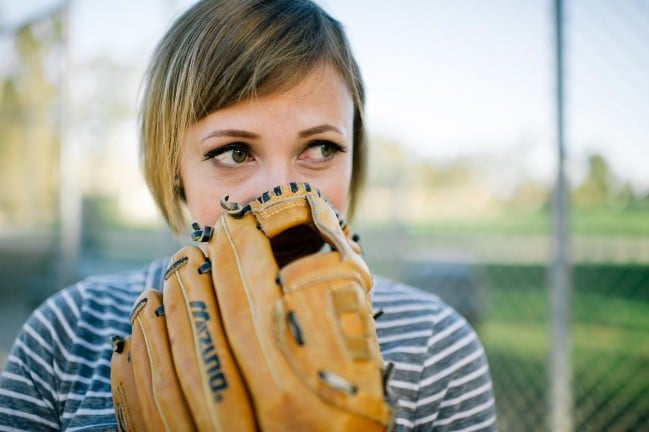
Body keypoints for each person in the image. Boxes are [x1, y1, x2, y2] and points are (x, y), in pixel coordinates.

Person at [0, 0, 497, 430]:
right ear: (174, 167)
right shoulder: (69, 334)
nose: (281, 191)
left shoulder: (434, 349)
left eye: (320, 147)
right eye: (235, 152)